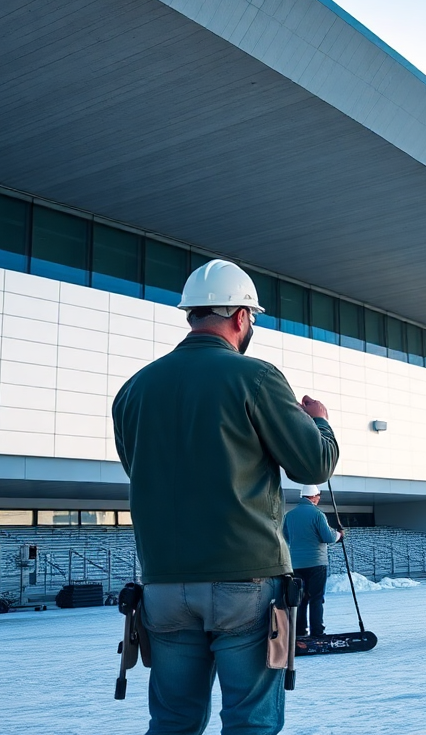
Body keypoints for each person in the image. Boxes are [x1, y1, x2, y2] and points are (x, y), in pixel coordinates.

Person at [112, 259, 340, 735]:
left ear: (191, 313)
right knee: (249, 719)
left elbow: (140, 471)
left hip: (164, 584)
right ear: (240, 317)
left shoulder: (133, 390)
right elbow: (312, 465)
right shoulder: (254, 377)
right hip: (244, 580)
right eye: (252, 317)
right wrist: (318, 420)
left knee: (172, 720)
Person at [283, 484, 341, 638]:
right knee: (316, 599)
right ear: (313, 497)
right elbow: (328, 537)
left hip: (295, 564)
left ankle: (300, 631)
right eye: (318, 495)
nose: (319, 498)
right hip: (316, 563)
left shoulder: (289, 515)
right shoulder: (317, 514)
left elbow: (286, 537)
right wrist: (339, 535)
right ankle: (317, 632)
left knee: (300, 599)